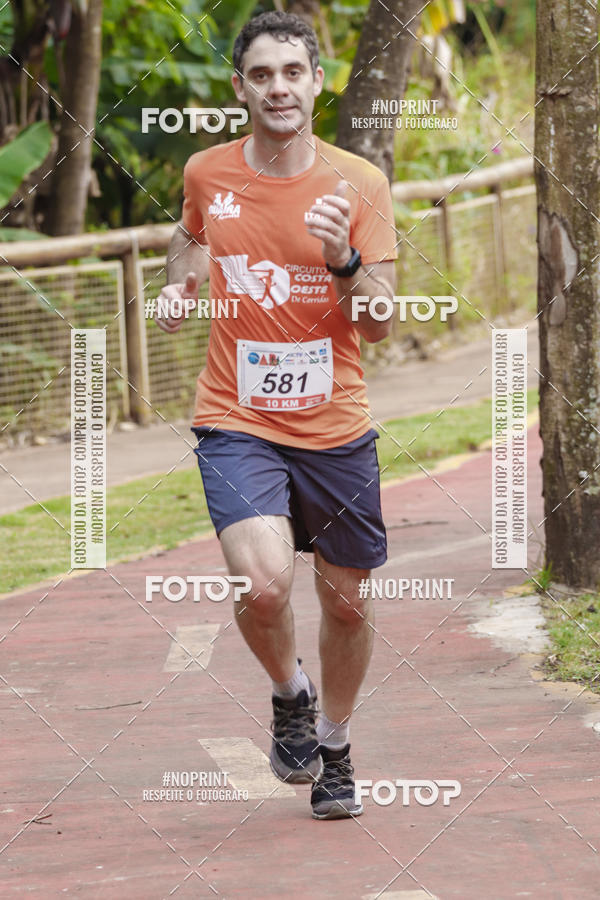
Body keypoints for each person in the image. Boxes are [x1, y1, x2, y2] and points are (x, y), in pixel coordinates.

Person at [156, 10, 397, 819]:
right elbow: (189, 237)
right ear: (240, 87)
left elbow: (381, 319)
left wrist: (345, 261)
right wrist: (181, 280)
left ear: (315, 81)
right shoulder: (206, 171)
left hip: (335, 425)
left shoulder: (358, 183)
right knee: (263, 587)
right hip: (237, 415)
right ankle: (289, 693)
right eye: (261, 75)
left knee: (347, 602)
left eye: (292, 72)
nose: (278, 88)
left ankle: (333, 743)